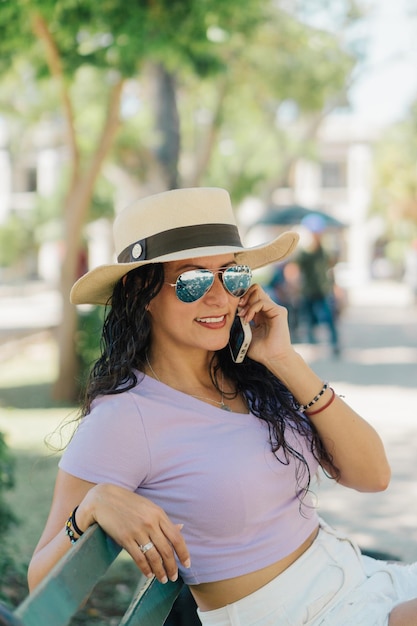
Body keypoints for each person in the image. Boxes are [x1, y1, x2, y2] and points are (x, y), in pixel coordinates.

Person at [28, 187, 417, 626]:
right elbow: (41, 582)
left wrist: (285, 361)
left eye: (231, 277)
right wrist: (92, 506)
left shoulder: (249, 379)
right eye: (193, 280)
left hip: (359, 580)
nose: (219, 298)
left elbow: (373, 475)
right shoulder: (125, 417)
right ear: (142, 291)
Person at [296, 214, 341, 356]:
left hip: (323, 289)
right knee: (308, 319)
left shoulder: (324, 251)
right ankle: (311, 345)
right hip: (308, 290)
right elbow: (293, 269)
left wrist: (335, 287)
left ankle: (335, 344)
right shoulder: (304, 253)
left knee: (329, 318)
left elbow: (331, 270)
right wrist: (294, 286)